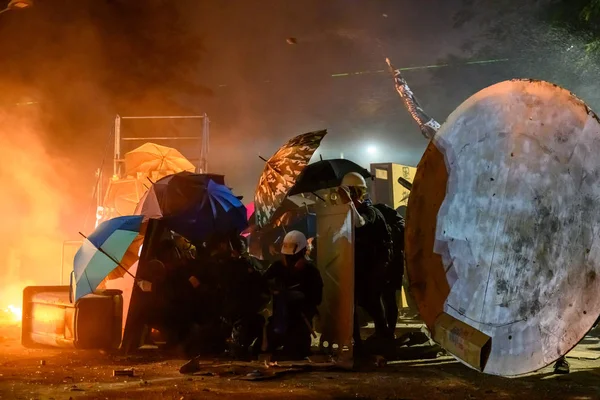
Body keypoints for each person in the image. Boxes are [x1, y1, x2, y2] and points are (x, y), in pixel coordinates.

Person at [338, 172, 393, 352]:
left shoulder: (371, 212)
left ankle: (383, 337)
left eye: (350, 193)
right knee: (351, 302)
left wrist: (348, 204)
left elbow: (359, 223)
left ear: (356, 193)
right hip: (360, 266)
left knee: (373, 302)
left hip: (375, 266)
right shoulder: (350, 211)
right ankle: (356, 342)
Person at [262, 230, 323, 359]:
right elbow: (263, 282)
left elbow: (317, 298)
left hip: (300, 319)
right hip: (280, 320)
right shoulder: (277, 267)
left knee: (296, 349)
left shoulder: (311, 271)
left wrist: (299, 297)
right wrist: (274, 290)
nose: (290, 260)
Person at [368, 199, 406, 338]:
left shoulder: (380, 211)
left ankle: (388, 331)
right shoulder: (366, 214)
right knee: (379, 298)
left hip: (391, 263)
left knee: (388, 298)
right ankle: (383, 330)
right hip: (379, 264)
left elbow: (400, 228)